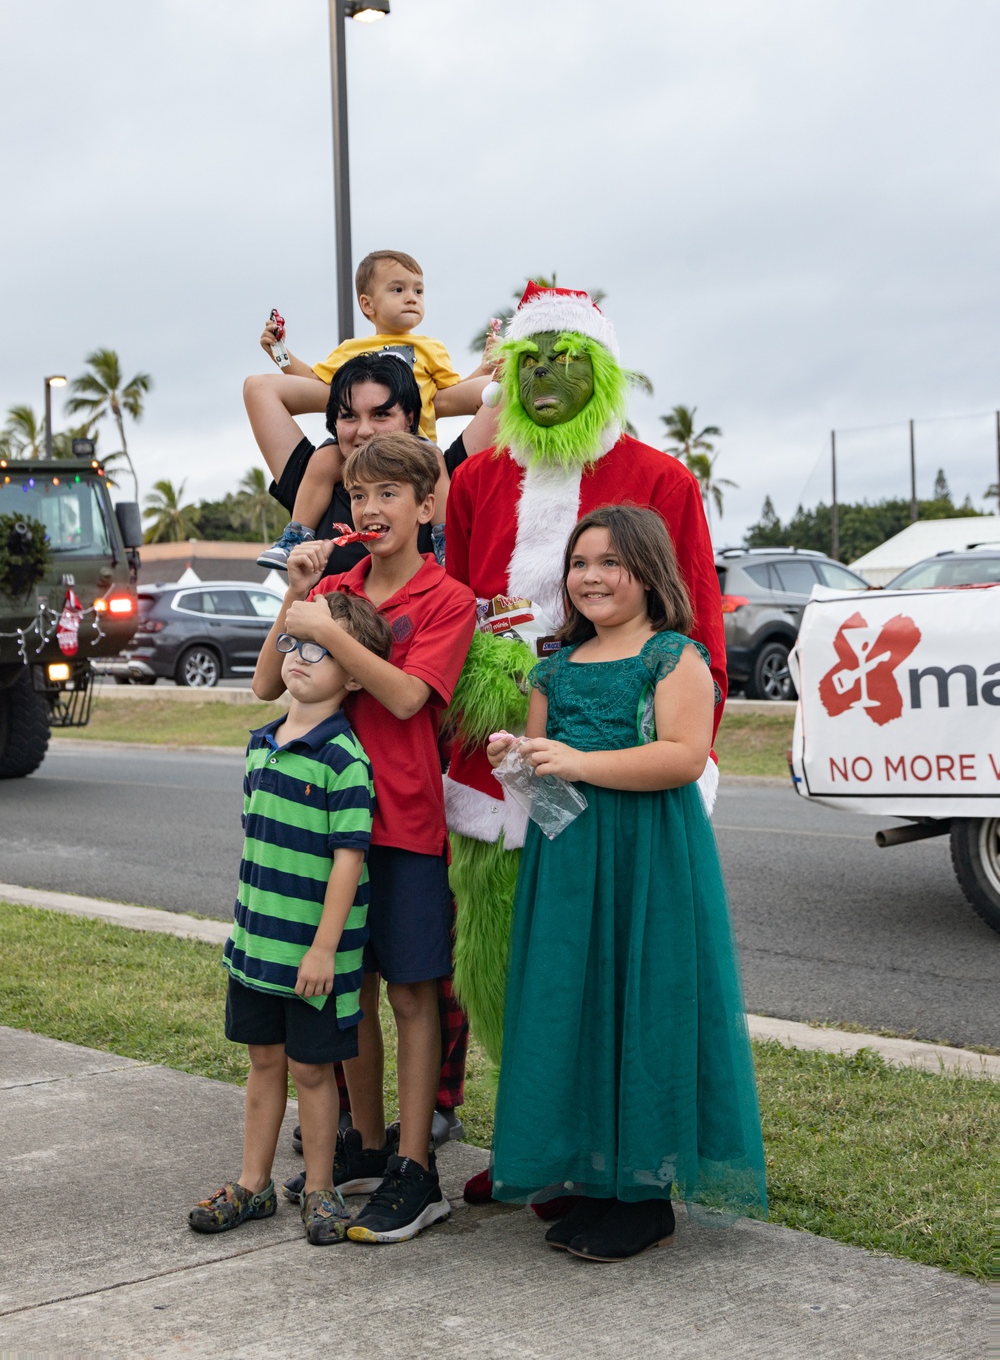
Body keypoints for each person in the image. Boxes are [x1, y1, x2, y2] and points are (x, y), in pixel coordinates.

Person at [442, 283, 727, 1206]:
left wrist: (695, 751)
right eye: (530, 360)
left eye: (568, 357)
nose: (548, 375)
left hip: (621, 772)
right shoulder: (481, 481)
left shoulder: (662, 480)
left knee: (615, 973)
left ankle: (618, 1165)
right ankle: (540, 1140)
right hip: (501, 765)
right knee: (512, 971)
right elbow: (454, 613)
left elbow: (701, 632)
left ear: (603, 370)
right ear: (507, 373)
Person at [486, 506, 767, 1261]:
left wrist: (576, 761)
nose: (591, 576)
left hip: (648, 861)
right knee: (575, 1008)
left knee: (642, 1005)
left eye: (610, 562)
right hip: (570, 861)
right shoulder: (552, 668)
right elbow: (548, 788)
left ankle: (644, 1198)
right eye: (580, 563)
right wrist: (519, 761)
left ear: (647, 570)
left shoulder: (673, 657)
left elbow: (681, 756)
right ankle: (593, 1179)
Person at [251, 350, 477, 1164]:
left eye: (389, 494)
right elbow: (265, 684)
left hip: (404, 818)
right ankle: (368, 1141)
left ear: (425, 504)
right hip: (321, 823)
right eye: (358, 493)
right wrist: (296, 594)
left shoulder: (448, 596)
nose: (371, 507)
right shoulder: (335, 578)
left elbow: (412, 698)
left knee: (414, 996)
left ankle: (415, 1166)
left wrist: (332, 630)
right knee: (351, 993)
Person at [189, 591, 393, 1246]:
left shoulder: (344, 760)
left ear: (353, 671)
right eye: (295, 643)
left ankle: (323, 1187)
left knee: (313, 1071)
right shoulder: (261, 746)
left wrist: (325, 950)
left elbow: (348, 862)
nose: (301, 659)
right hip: (255, 950)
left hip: (314, 959)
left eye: (322, 649)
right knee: (264, 1064)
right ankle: (253, 1185)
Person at [246, 250, 499, 568]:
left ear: (409, 417)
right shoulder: (319, 479)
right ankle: (296, 536)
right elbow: (285, 384)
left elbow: (470, 392)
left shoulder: (440, 474)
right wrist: (281, 353)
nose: (364, 430)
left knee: (432, 456)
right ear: (367, 304)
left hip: (420, 445)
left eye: (382, 413)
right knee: (325, 456)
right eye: (349, 415)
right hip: (330, 612)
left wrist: (467, 382)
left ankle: (444, 538)